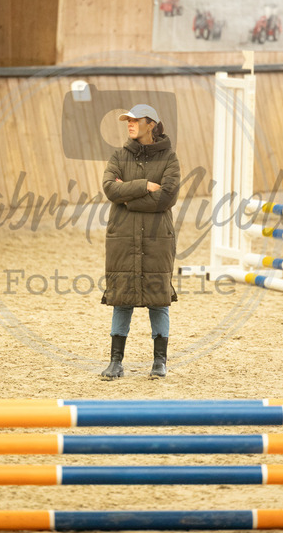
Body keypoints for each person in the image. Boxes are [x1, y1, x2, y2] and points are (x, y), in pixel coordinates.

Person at [100, 104, 181, 380]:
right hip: (122, 237)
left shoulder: (170, 158)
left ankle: (160, 362)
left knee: (159, 299)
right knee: (121, 298)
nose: (130, 124)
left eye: (136, 120)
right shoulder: (118, 156)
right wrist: (144, 185)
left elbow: (167, 197)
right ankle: (115, 362)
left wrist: (128, 200)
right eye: (128, 120)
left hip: (158, 239)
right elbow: (110, 189)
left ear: (151, 124)